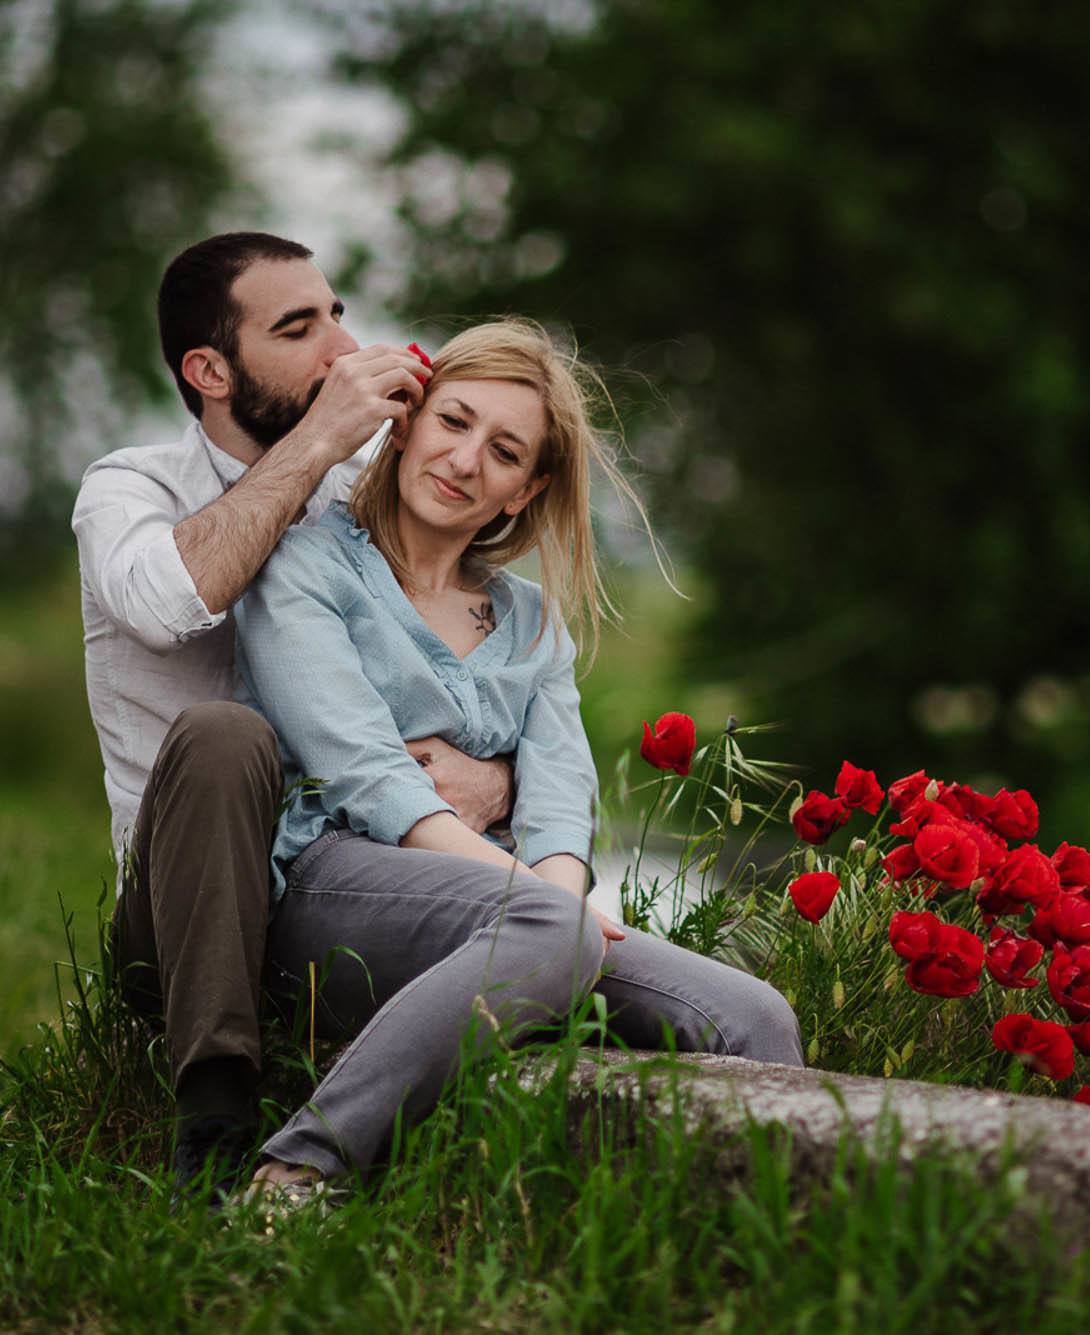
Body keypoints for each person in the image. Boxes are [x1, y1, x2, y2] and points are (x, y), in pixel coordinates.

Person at [230, 318, 800, 1204]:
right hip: (324, 886)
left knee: (755, 1016)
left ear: (522, 493)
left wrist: (557, 894)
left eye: (503, 452)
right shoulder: (305, 565)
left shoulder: (531, 620)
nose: (464, 460)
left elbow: (562, 792)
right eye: (452, 422)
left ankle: (733, 1242)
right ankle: (300, 1166)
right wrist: (538, 904)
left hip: (507, 914)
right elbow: (363, 772)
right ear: (407, 423)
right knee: (553, 927)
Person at [72, 232, 515, 1193]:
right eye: (298, 327)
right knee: (230, 736)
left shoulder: (365, 506)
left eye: (338, 315)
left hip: (349, 887)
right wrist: (319, 442)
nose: (341, 349)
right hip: (183, 929)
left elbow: (470, 668)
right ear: (210, 370)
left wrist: (500, 774)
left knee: (551, 926)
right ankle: (216, 1126)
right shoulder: (130, 487)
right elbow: (165, 602)